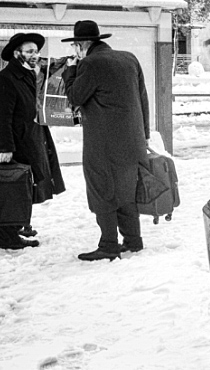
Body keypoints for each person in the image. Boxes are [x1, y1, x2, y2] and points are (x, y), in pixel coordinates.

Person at [61, 19, 150, 262]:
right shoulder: (129, 58)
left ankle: (109, 245)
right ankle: (133, 240)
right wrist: (145, 134)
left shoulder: (90, 63)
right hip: (133, 141)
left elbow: (75, 97)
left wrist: (70, 72)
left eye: (75, 47)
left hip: (103, 144)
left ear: (81, 45)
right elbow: (143, 98)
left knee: (103, 192)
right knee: (126, 192)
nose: (75, 53)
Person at [0, 32, 65, 250]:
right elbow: (0, 118)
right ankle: (8, 237)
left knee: (24, 186)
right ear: (16, 54)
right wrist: (5, 148)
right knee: (11, 188)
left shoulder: (28, 76)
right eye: (29, 51)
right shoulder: (4, 80)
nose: (35, 55)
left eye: (36, 51)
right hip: (14, 146)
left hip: (28, 141)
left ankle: (19, 224)